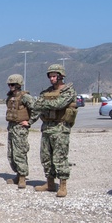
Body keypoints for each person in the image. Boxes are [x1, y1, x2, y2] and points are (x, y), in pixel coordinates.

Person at [33, 64, 77, 197]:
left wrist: (43, 104)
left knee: (60, 157)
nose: (51, 79)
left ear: (60, 76)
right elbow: (36, 105)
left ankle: (62, 185)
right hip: (47, 128)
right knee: (46, 157)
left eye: (54, 76)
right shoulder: (46, 92)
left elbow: (59, 104)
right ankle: (50, 183)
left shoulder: (69, 91)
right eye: (50, 76)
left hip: (60, 128)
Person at [4, 74, 39, 189]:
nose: (11, 86)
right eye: (9, 84)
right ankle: (18, 175)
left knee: (20, 152)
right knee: (11, 153)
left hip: (20, 128)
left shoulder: (25, 97)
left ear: (19, 84)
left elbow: (36, 109)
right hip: (12, 127)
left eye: (13, 84)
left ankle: (23, 177)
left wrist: (29, 122)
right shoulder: (10, 97)